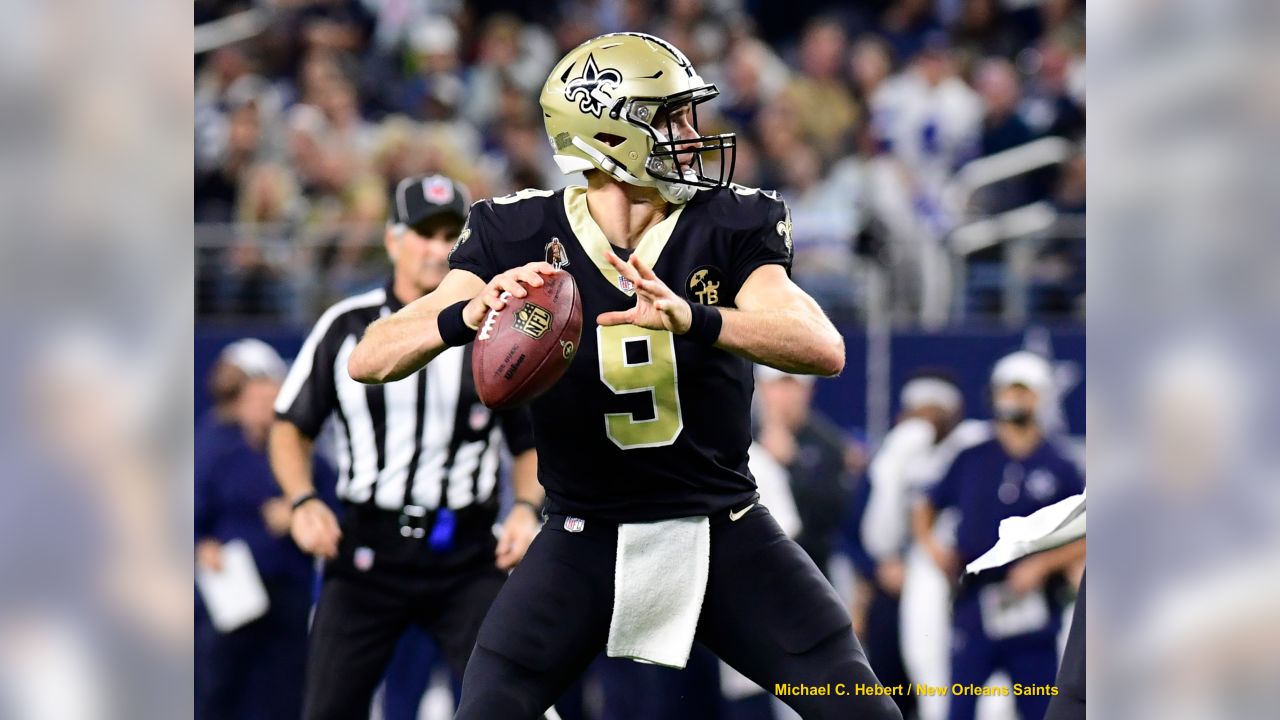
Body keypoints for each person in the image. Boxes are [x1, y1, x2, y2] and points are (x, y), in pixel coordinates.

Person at [348, 32, 902, 720]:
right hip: (583, 535)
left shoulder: (729, 222)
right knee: (487, 707)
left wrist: (695, 318)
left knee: (860, 707)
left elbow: (821, 345)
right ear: (607, 133)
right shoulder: (514, 232)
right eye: (669, 118)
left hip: (722, 527)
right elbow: (368, 357)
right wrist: (470, 309)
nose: (693, 136)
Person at [269, 174, 542, 720]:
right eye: (425, 233)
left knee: (509, 706)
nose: (439, 249)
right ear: (393, 240)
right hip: (367, 552)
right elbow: (289, 425)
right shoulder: (346, 326)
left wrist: (527, 510)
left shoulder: (497, 327)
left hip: (466, 554)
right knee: (327, 709)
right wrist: (303, 500)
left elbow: (527, 443)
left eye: (451, 236)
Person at [913, 351, 1085, 720]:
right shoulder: (971, 455)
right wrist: (933, 547)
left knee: (1041, 709)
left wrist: (1043, 564)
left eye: (1022, 391)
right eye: (1007, 390)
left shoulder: (1060, 463)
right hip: (974, 602)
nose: (1012, 400)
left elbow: (1089, 531)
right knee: (958, 707)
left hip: (1034, 608)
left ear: (1040, 396)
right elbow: (925, 504)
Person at [195, 340, 319, 720]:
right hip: (231, 591)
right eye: (256, 399)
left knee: (283, 690)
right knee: (217, 685)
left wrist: (300, 509)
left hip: (288, 585)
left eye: (272, 400)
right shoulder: (217, 450)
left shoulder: (306, 453)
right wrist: (202, 545)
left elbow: (331, 507)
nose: (262, 408)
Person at [859, 371, 989, 720]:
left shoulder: (976, 442)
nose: (925, 418)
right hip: (924, 569)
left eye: (934, 409)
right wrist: (890, 469)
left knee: (991, 686)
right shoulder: (902, 450)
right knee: (926, 669)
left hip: (980, 566)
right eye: (918, 409)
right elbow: (878, 539)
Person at [756, 365, 857, 577]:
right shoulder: (740, 436)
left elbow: (832, 515)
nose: (785, 397)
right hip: (751, 567)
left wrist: (793, 464)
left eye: (793, 387)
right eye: (778, 387)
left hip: (810, 569)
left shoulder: (828, 443)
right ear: (762, 388)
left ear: (809, 391)